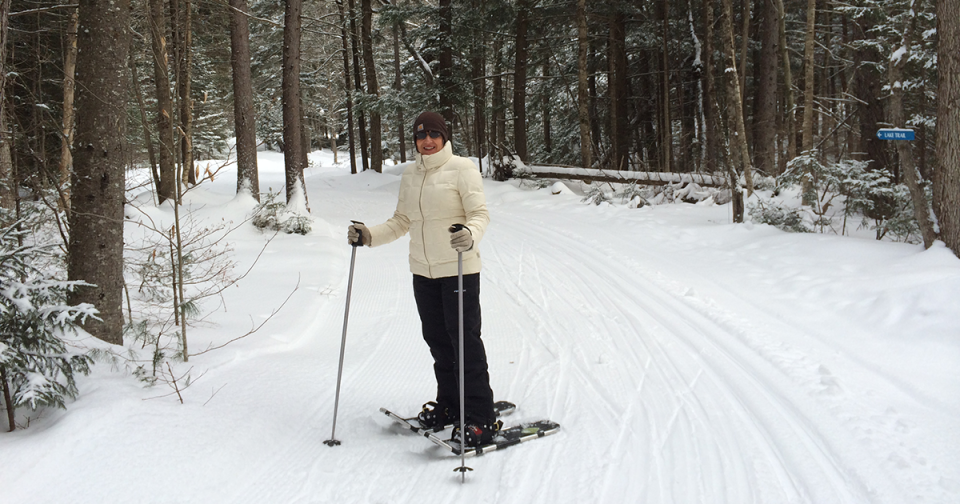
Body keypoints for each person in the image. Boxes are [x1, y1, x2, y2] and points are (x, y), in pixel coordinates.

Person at [347, 111, 499, 447]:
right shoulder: (411, 175)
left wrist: (470, 234)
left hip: (459, 268)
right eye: (420, 135)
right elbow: (401, 221)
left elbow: (479, 214)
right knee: (438, 342)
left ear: (444, 137)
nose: (427, 140)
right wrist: (369, 235)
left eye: (433, 134)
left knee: (465, 343)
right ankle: (449, 405)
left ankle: (480, 418)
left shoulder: (462, 169)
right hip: (423, 272)